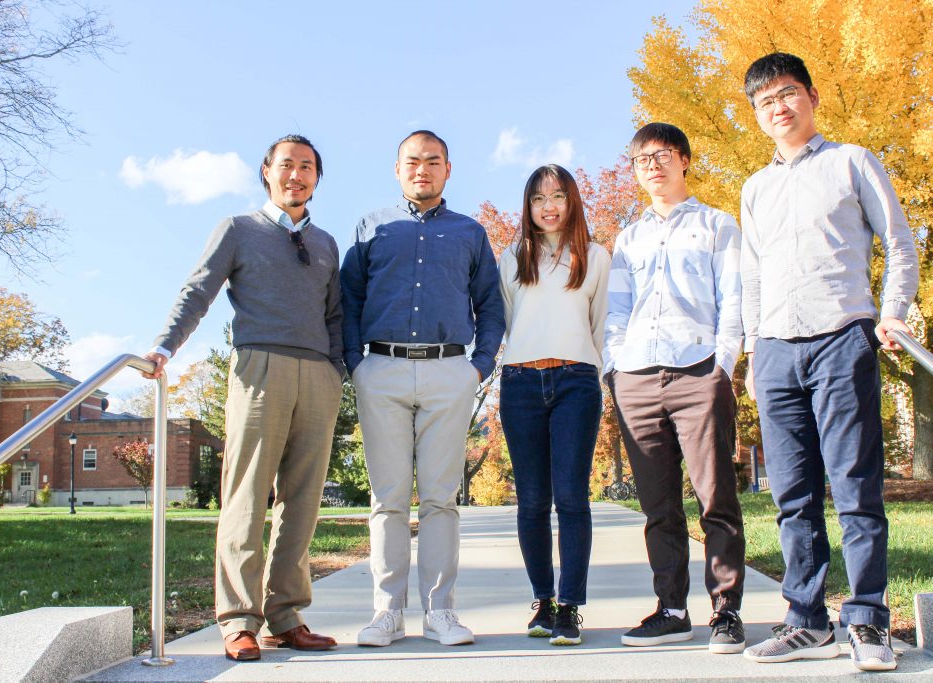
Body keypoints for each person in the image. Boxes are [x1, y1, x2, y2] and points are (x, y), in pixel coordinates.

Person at [739, 53, 919, 671]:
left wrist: (891, 309)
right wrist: (750, 350)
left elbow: (899, 241)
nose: (778, 107)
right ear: (757, 115)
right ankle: (805, 619)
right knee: (791, 496)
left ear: (812, 96)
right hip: (775, 350)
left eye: (788, 94)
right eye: (765, 102)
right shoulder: (755, 188)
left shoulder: (852, 161)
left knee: (855, 489)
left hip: (842, 336)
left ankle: (868, 619)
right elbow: (753, 276)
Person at [143, 135, 344, 662]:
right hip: (259, 368)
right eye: (286, 166)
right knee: (246, 496)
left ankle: (286, 616)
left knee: (302, 500)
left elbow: (335, 315)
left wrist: (337, 370)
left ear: (317, 178)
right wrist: (166, 345)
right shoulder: (237, 230)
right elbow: (199, 289)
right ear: (266, 173)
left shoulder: (325, 243)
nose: (296, 175)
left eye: (306, 167)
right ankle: (238, 620)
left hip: (318, 374)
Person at [340, 130, 504, 647]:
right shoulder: (371, 227)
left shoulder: (470, 233)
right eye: (413, 162)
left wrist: (477, 367)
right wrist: (354, 365)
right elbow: (347, 298)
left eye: (433, 161)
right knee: (387, 500)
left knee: (439, 500)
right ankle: (387, 612)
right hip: (380, 371)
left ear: (448, 170)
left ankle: (440, 612)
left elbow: (492, 306)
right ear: (397, 169)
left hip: (449, 373)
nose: (422, 170)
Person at [605, 122, 746, 654]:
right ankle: (671, 609)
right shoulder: (629, 237)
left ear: (684, 160)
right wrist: (614, 369)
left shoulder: (716, 225)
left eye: (663, 156)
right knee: (658, 506)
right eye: (643, 160)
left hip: (697, 372)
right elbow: (617, 310)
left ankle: (725, 610)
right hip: (638, 378)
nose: (653, 166)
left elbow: (732, 300)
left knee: (716, 499)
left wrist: (722, 367)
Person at [498, 164, 610, 646]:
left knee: (571, 498)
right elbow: (508, 322)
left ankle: (570, 607)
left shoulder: (595, 256)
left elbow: (600, 325)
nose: (548, 206)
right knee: (531, 502)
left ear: (572, 202)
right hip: (521, 382)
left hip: (575, 381)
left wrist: (600, 379)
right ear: (527, 206)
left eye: (558, 196)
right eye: (539, 198)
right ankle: (542, 600)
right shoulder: (512, 257)